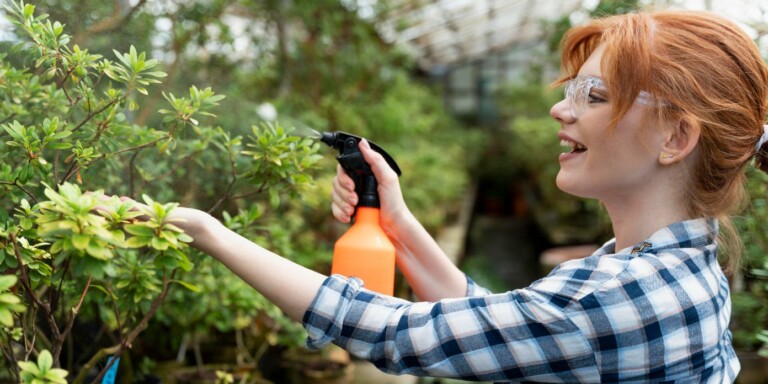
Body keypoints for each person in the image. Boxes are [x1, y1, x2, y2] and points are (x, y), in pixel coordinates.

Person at [135, 9, 768, 382]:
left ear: (676, 137)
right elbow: (497, 325)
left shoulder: (618, 298)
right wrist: (401, 222)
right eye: (571, 90)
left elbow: (397, 331)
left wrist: (206, 230)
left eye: (593, 97)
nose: (558, 110)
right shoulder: (677, 263)